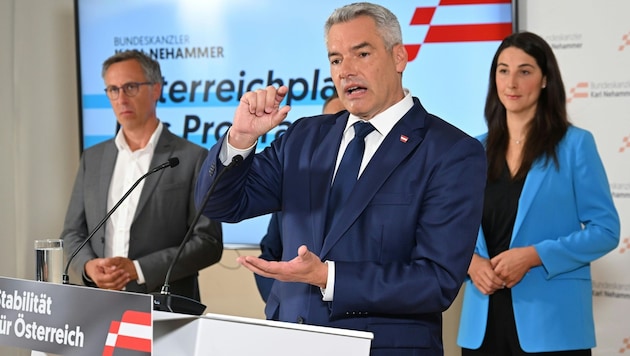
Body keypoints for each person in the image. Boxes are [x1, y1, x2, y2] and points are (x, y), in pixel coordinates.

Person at [195, 3, 486, 354]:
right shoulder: (304, 138)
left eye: (361, 54)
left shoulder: (450, 151)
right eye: (335, 60)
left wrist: (328, 277)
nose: (346, 71)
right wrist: (240, 139)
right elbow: (220, 204)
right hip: (291, 343)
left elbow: (436, 280)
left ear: (399, 57)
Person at [457, 32, 620, 355]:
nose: (512, 82)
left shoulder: (575, 145)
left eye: (525, 71)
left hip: (553, 327)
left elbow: (606, 231)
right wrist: (470, 263)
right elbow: (451, 231)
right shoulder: (473, 150)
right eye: (503, 70)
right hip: (482, 323)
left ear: (546, 79)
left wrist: (534, 256)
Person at [61, 50, 223, 301]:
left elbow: (208, 243)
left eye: (131, 87)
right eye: (112, 90)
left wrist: (138, 269)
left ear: (156, 89)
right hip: (100, 303)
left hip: (164, 305)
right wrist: (88, 267)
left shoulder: (192, 157)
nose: (121, 98)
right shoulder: (92, 159)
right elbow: (73, 232)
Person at [255, 90, 345, 302]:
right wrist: (278, 299)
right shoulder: (296, 181)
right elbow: (270, 253)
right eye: (331, 121)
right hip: (294, 316)